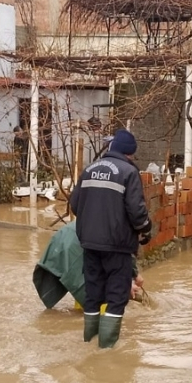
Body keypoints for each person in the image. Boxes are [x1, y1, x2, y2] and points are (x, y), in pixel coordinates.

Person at [69, 129, 152, 348]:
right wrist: (145, 229)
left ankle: (89, 343)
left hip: (89, 243)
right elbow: (136, 211)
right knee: (117, 297)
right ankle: (106, 351)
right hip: (117, 246)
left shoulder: (89, 169)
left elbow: (75, 205)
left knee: (93, 295)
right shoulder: (128, 172)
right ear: (128, 153)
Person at [33, 220, 144, 311]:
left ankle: (79, 313)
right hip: (77, 246)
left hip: (63, 237)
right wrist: (130, 281)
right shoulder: (124, 232)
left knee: (81, 282)